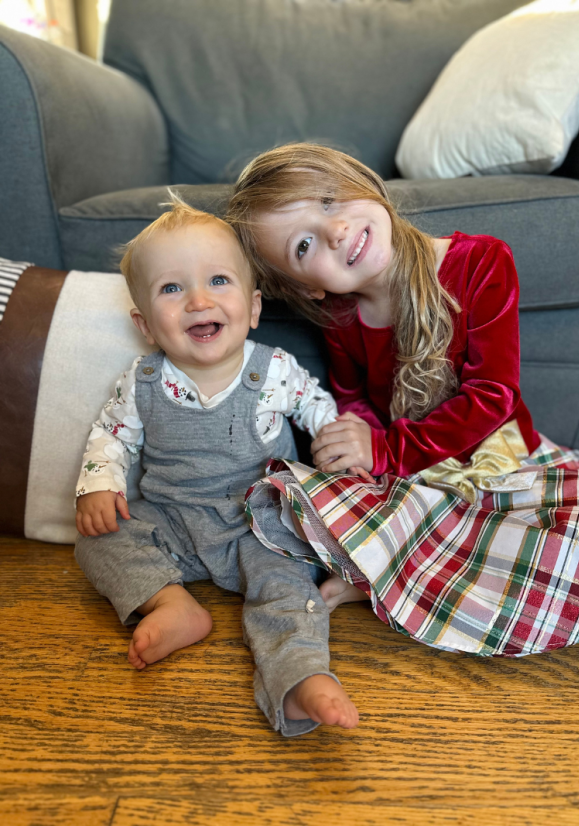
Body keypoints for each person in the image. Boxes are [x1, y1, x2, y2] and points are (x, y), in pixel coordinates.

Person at [226, 143, 579, 658]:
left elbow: (493, 397)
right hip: (405, 465)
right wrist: (360, 444)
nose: (336, 230)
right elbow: (354, 396)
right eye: (304, 247)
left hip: (488, 454)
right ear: (307, 289)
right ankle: (381, 570)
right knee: (305, 498)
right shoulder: (341, 314)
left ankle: (383, 571)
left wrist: (387, 449)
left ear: (361, 181)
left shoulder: (480, 262)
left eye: (328, 199)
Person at [73, 194, 360, 736]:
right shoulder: (144, 381)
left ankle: (300, 677)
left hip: (260, 525)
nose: (199, 300)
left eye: (219, 281)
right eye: (172, 288)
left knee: (288, 588)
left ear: (253, 308)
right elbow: (110, 436)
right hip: (172, 520)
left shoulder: (272, 369)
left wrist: (334, 436)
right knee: (96, 539)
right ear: (146, 324)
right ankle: (173, 603)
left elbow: (315, 404)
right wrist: (98, 484)